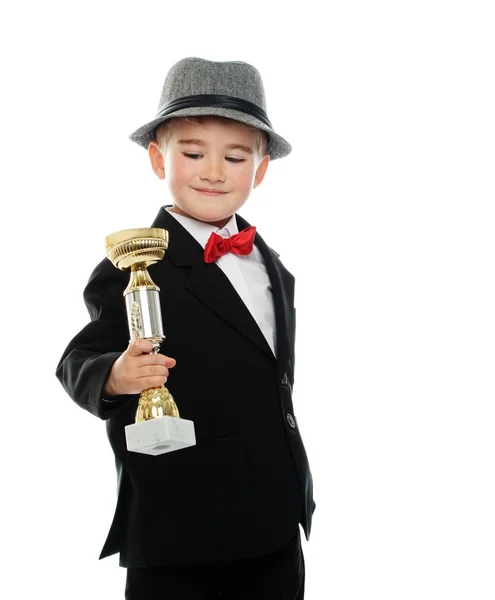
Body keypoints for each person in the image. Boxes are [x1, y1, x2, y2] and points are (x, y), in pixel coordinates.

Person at [56, 57, 316, 600]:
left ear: (261, 168)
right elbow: (77, 360)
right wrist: (115, 374)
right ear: (158, 158)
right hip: (180, 527)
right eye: (193, 153)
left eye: (235, 156)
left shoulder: (274, 268)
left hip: (274, 520)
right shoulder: (133, 264)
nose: (214, 171)